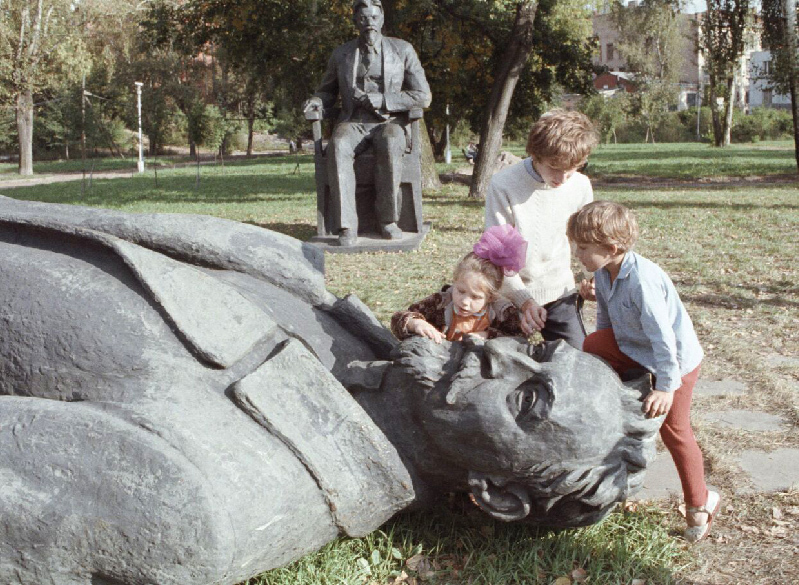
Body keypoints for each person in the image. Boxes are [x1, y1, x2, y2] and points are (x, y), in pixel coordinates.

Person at [566, 200, 719, 543]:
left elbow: (664, 340)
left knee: (674, 430)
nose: (577, 252)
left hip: (674, 361)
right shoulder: (603, 273)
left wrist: (666, 386)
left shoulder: (642, 282)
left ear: (611, 248)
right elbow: (606, 324)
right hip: (637, 348)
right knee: (593, 345)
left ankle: (701, 502)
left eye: (584, 247)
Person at [303, 0, 432, 246]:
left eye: (373, 18)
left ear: (382, 19)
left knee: (391, 141)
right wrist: (317, 100)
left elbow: (423, 96)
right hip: (354, 122)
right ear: (355, 21)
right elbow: (327, 91)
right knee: (338, 145)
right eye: (363, 18)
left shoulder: (402, 50)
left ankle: (388, 220)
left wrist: (383, 100)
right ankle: (346, 225)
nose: (369, 23)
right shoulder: (342, 53)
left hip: (389, 122)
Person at [485, 109, 599, 349]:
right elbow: (498, 256)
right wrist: (524, 301)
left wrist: (590, 279)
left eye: (573, 167)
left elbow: (585, 242)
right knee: (501, 363)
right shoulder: (504, 185)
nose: (563, 177)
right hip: (511, 295)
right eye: (554, 167)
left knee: (579, 361)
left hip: (560, 291)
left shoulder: (580, 185)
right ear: (535, 154)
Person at [391, 225, 527, 342]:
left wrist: (487, 335)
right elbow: (399, 318)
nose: (465, 302)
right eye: (461, 291)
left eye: (475, 297)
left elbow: (518, 339)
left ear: (490, 297)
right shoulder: (441, 302)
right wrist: (415, 323)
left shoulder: (502, 312)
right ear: (455, 282)